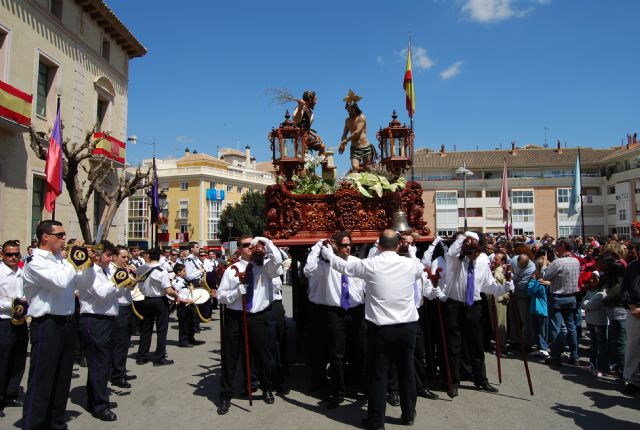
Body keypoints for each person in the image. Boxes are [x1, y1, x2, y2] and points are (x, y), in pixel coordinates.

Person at [321, 229, 431, 429]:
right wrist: (412, 251)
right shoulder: (410, 265)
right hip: (407, 328)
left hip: (381, 331)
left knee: (378, 376)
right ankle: (408, 415)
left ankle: (377, 422)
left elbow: (342, 266)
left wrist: (329, 253)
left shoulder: (370, 265)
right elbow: (419, 267)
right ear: (398, 246)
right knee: (406, 371)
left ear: (378, 246)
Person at [21, 220, 96, 430]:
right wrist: (74, 259)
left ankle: (56, 422)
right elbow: (60, 282)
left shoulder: (61, 260)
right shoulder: (35, 261)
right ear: (46, 237)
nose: (64, 239)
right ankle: (34, 424)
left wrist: (88, 264)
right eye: (60, 235)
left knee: (62, 378)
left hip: (67, 323)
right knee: (42, 379)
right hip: (47, 324)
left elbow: (82, 284)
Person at [440, 232, 514, 398]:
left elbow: (489, 286)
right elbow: (452, 251)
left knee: (476, 345)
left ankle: (481, 379)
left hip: (473, 306)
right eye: (472, 251)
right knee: (454, 346)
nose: (476, 255)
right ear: (466, 250)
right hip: (455, 306)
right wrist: (465, 236)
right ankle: (453, 381)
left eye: (478, 251)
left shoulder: (481, 261)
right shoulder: (454, 260)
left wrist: (506, 286)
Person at [216, 235, 283, 415]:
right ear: (239, 249)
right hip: (236, 316)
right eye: (247, 245)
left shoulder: (266, 267)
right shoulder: (232, 270)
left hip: (258, 316)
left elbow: (278, 260)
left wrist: (264, 241)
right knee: (230, 357)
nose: (251, 248)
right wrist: (237, 291)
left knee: (263, 356)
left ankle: (266, 387)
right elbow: (220, 296)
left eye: (253, 245)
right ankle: (225, 395)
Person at [304, 232, 366, 409]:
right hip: (336, 314)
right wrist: (318, 248)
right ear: (336, 247)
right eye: (344, 245)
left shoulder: (356, 262)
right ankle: (338, 392)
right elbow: (308, 270)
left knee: (361, 350)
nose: (348, 248)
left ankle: (363, 386)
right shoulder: (326, 266)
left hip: (356, 311)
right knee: (337, 354)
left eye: (349, 245)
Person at [77, 240, 119, 421]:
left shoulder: (107, 270)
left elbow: (118, 293)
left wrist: (126, 282)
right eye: (109, 255)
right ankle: (100, 405)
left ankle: (94, 398)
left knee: (102, 363)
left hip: (107, 320)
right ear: (98, 255)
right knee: (100, 364)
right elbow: (101, 293)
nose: (111, 259)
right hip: (94, 320)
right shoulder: (90, 272)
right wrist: (117, 281)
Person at [135, 247, 179, 366]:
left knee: (146, 329)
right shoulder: (162, 270)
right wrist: (176, 296)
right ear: (159, 256)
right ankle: (159, 357)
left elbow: (135, 279)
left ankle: (141, 356)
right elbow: (168, 290)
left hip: (147, 300)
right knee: (161, 330)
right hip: (159, 301)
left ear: (148, 255)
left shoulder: (142, 269)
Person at [542, 238, 581, 367]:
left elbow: (545, 276)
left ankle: (556, 357)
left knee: (556, 327)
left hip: (558, 297)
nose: (556, 249)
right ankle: (574, 356)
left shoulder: (557, 262)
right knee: (571, 327)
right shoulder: (576, 261)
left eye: (557, 246)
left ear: (563, 246)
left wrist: (544, 266)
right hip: (571, 297)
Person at [0, 240, 28, 418]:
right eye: (9, 254)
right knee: (2, 361)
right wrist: (12, 304)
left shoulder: (21, 272)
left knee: (18, 359)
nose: (13, 257)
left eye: (16, 254)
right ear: (2, 255)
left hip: (21, 321)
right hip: (4, 320)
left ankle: (11, 394)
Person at [110, 245, 136, 389]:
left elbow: (130, 288)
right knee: (119, 343)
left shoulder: (122, 269)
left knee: (125, 342)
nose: (126, 260)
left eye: (127, 257)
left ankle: (121, 370)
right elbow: (114, 290)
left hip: (127, 306)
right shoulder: (112, 270)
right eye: (123, 257)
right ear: (114, 257)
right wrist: (124, 275)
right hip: (118, 307)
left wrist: (132, 276)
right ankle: (117, 375)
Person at [620, 245, 640, 395]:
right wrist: (630, 304)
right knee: (632, 345)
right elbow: (625, 287)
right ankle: (631, 379)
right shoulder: (633, 266)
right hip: (633, 311)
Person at [339, 92, 375, 172]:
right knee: (355, 167)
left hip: (365, 146)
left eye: (351, 110)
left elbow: (357, 132)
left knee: (367, 169)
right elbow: (344, 133)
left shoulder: (361, 117)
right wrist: (342, 144)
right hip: (354, 148)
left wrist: (346, 140)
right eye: (348, 110)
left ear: (355, 108)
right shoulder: (347, 120)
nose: (350, 112)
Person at [581, 271, 608, 377]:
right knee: (594, 344)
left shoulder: (602, 293)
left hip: (599, 322)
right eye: (591, 278)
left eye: (594, 279)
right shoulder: (591, 291)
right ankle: (592, 364)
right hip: (591, 320)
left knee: (601, 346)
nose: (591, 280)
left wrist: (587, 303)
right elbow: (583, 302)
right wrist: (587, 303)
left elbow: (591, 305)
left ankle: (602, 368)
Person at [528, 259, 550, 358]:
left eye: (536, 269)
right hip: (535, 309)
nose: (534, 271)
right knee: (536, 329)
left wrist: (533, 280)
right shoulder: (540, 282)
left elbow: (530, 291)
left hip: (541, 310)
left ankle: (543, 348)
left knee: (542, 330)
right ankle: (540, 347)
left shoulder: (541, 283)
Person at [293, 90, 325, 156]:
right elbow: (296, 121)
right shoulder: (301, 108)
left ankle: (319, 161)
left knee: (322, 146)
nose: (316, 102)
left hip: (306, 135)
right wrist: (300, 108)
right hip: (299, 137)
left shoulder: (309, 111)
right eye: (315, 100)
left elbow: (306, 127)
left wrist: (314, 135)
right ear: (310, 100)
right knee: (321, 146)